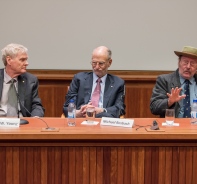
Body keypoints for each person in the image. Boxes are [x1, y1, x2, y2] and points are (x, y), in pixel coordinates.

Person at [63, 46, 125, 118]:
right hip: (81, 120)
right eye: (94, 63)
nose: (96, 67)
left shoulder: (118, 83)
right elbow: (67, 107)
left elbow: (120, 108)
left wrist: (102, 110)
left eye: (101, 63)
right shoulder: (79, 79)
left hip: (104, 121)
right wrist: (77, 113)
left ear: (109, 62)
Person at [150, 46, 197, 118]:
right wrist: (169, 101)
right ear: (179, 63)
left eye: (192, 63)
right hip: (173, 126)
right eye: (185, 62)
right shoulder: (164, 80)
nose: (188, 66)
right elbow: (154, 107)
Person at [0, 43, 44, 117]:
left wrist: (36, 117)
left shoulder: (30, 80)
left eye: (26, 60)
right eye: (22, 60)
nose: (27, 63)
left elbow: (36, 105)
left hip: (22, 123)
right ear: (9, 60)